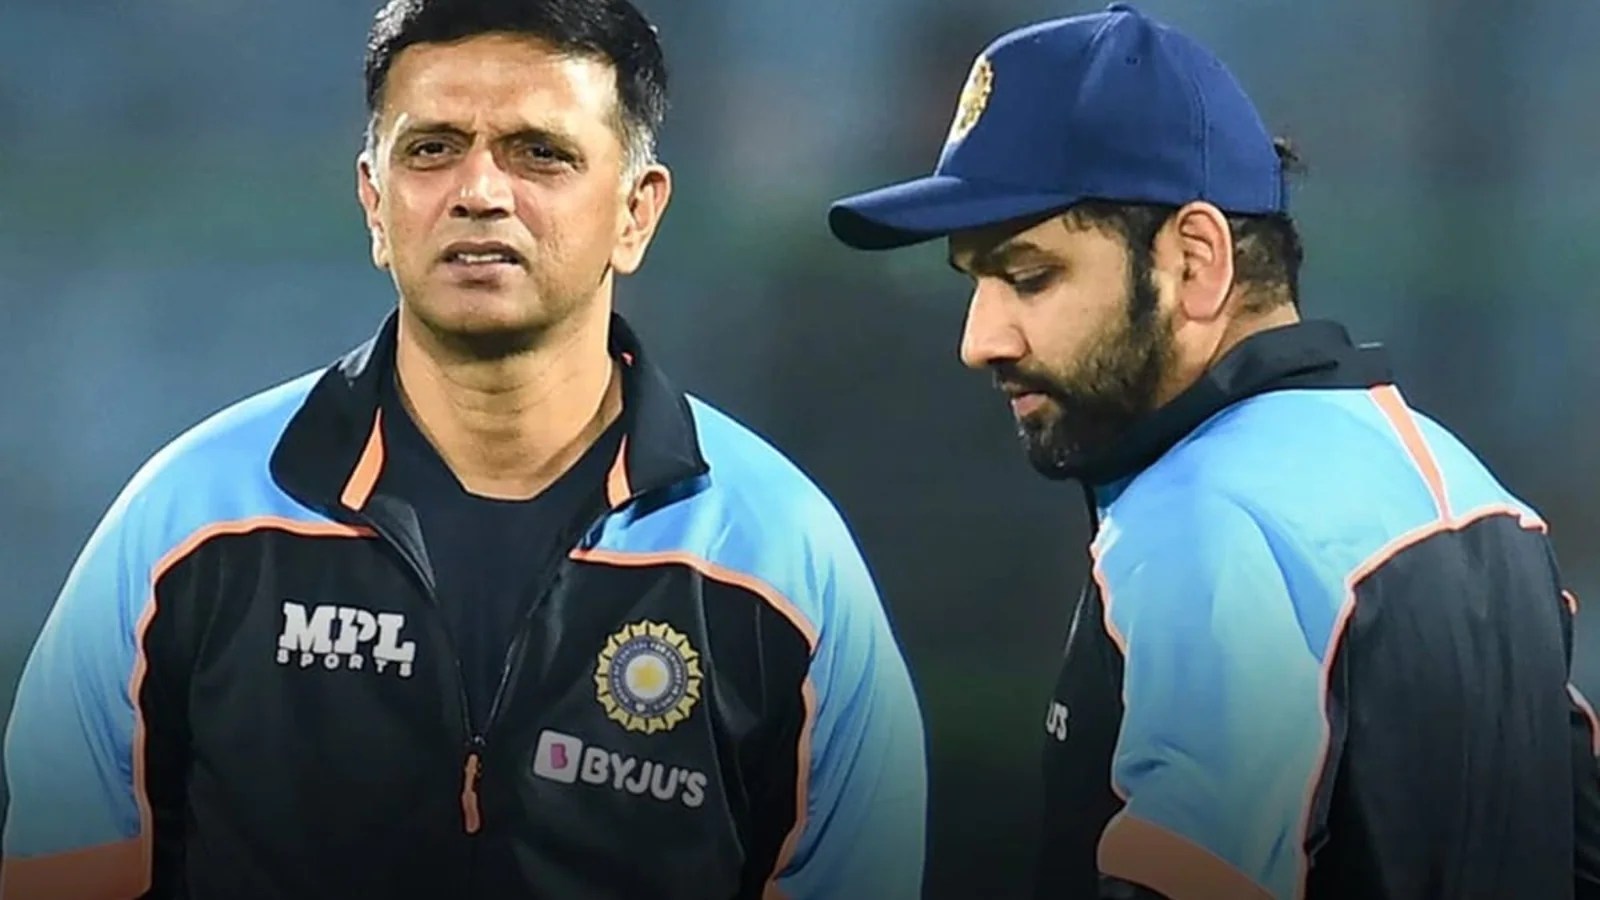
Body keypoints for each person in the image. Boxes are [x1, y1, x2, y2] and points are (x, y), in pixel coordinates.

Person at [0, 1, 927, 898]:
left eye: (540, 153)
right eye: (432, 149)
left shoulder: (781, 556)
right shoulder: (189, 520)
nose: (479, 192)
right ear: (374, 201)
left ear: (636, 213)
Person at [826, 3, 1600, 899]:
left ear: (1196, 260)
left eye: (1029, 276)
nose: (980, 339)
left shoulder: (1202, 520)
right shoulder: (1479, 500)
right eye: (974, 284)